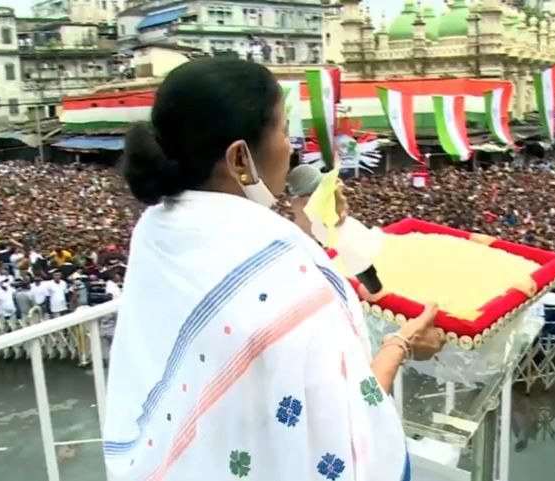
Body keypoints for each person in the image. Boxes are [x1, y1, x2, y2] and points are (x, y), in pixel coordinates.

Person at [103, 58, 443, 481]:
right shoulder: (286, 275)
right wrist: (400, 344)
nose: (291, 149)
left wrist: (305, 230)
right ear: (239, 158)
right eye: (283, 131)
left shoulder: (156, 230)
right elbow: (347, 425)